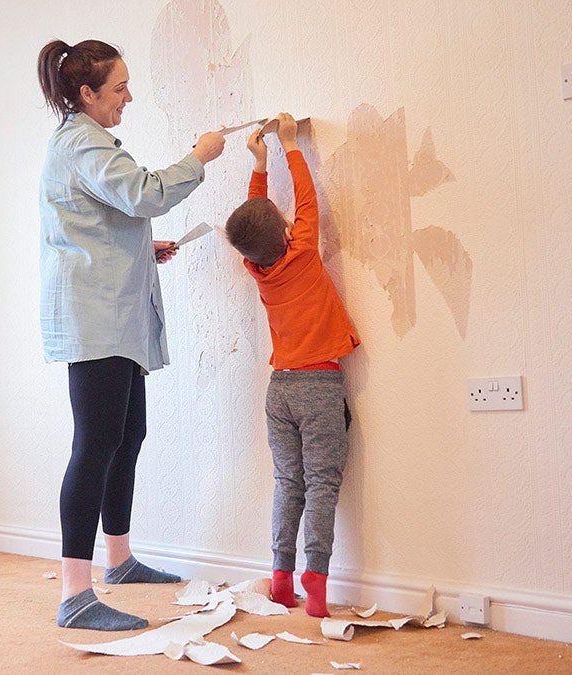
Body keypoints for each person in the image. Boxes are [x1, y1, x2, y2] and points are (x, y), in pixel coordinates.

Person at [36, 38, 226, 631]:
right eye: (119, 87)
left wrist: (145, 247)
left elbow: (98, 220)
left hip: (114, 313)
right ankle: (75, 595)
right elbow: (146, 193)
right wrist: (201, 155)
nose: (129, 96)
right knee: (94, 445)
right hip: (97, 319)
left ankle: (117, 561)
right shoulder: (81, 143)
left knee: (128, 433)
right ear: (86, 93)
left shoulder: (87, 143)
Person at [223, 112, 361, 618]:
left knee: (289, 483)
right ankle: (317, 583)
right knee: (322, 484)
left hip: (278, 389)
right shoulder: (303, 252)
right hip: (319, 385)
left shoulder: (257, 268)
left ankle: (281, 579)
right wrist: (290, 144)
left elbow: (254, 219)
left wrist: (260, 163)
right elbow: (308, 200)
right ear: (285, 229)